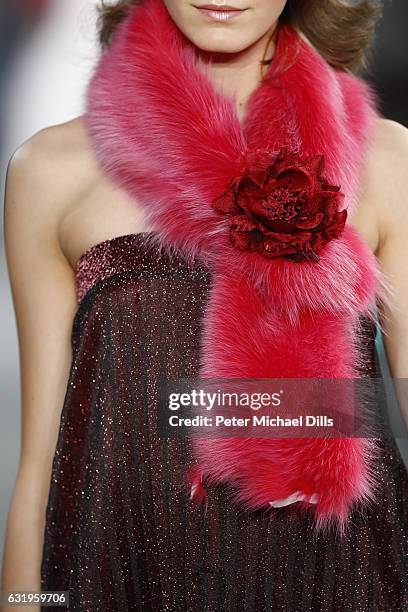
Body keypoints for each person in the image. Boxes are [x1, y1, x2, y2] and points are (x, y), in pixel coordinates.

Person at [2, 0, 408, 610]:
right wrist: (36, 605)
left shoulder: (387, 162)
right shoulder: (52, 172)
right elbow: (43, 469)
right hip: (116, 576)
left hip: (343, 578)